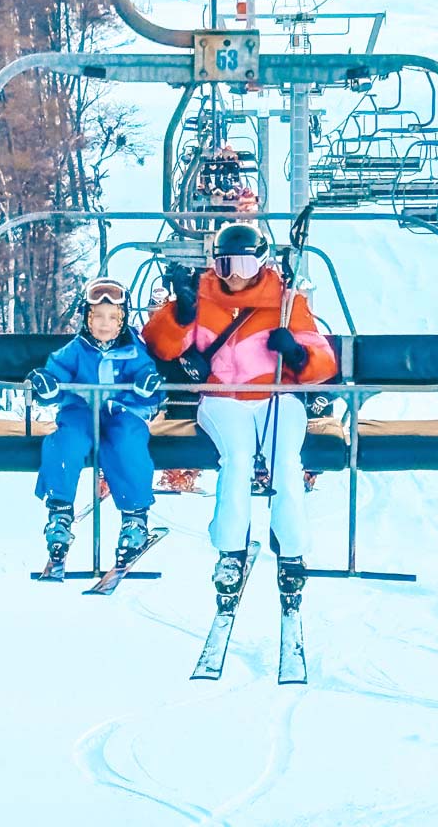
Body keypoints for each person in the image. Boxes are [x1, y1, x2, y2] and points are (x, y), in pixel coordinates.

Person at [142, 225, 338, 598]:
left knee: (285, 461)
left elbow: (322, 362)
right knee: (238, 459)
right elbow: (160, 347)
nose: (234, 274)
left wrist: (297, 354)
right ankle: (231, 551)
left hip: (276, 394)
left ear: (261, 263)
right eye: (225, 264)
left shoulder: (286, 302)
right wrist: (181, 315)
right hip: (222, 396)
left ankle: (293, 552)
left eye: (245, 264)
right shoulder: (197, 298)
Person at [28, 278, 163, 568]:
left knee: (128, 443)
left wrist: (147, 388)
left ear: (122, 320)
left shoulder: (133, 350)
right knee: (66, 442)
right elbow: (57, 373)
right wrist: (49, 388)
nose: (104, 324)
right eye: (97, 316)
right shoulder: (76, 350)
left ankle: (135, 517)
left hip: (121, 412)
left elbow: (151, 382)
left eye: (112, 318)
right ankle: (60, 512)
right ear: (87, 318)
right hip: (82, 410)